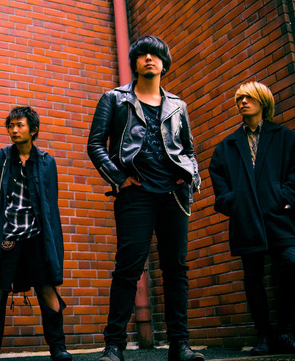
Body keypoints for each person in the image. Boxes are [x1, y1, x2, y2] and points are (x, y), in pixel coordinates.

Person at [87, 36, 204, 361]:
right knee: (128, 268)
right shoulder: (115, 99)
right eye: (143, 55)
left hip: (173, 196)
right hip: (135, 194)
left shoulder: (178, 105)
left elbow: (188, 150)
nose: (149, 58)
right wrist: (119, 179)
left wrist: (190, 176)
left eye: (155, 55)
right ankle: (114, 346)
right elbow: (95, 144)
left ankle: (180, 345)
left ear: (164, 64)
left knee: (176, 269)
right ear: (135, 63)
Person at [209, 81, 295, 356]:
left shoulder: (285, 138)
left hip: (280, 216)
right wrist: (233, 202)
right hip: (246, 219)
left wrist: (283, 198)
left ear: (263, 102)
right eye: (239, 99)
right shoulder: (227, 146)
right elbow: (219, 180)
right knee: (253, 275)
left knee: (291, 263)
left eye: (248, 97)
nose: (242, 102)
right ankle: (264, 335)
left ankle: (286, 332)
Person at [0, 106, 72, 361]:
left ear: (33, 130)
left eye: (19, 125)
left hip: (37, 237)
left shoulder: (46, 161)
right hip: (7, 237)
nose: (14, 130)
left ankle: (58, 348)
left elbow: (49, 201)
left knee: (47, 288)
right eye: (10, 125)